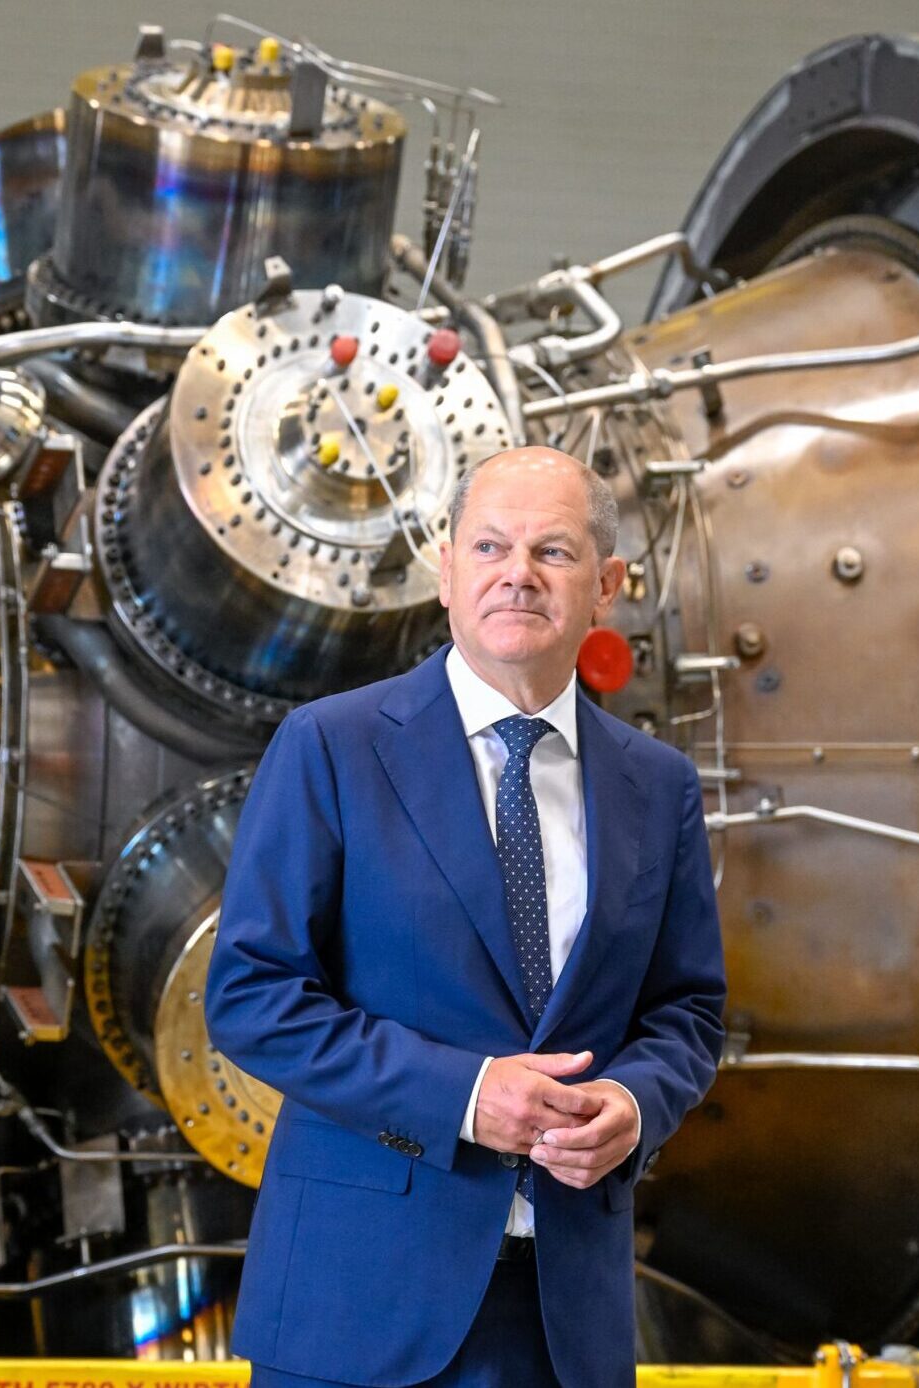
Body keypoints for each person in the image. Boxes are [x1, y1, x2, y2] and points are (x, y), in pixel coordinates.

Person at [206, 445, 726, 1388]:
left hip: (565, 1320)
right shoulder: (333, 748)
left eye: (553, 553)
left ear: (606, 585)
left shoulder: (657, 786)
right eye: (490, 546)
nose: (517, 575)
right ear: (446, 572)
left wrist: (635, 1105)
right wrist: (464, 1095)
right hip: (358, 1309)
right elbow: (252, 997)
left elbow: (686, 1012)